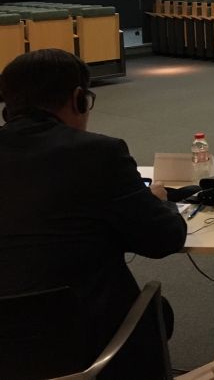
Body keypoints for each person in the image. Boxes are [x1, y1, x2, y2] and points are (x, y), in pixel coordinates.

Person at [0, 49, 186, 379]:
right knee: (160, 312)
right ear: (79, 99)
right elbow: (165, 240)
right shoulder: (99, 153)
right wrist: (158, 200)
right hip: (82, 339)